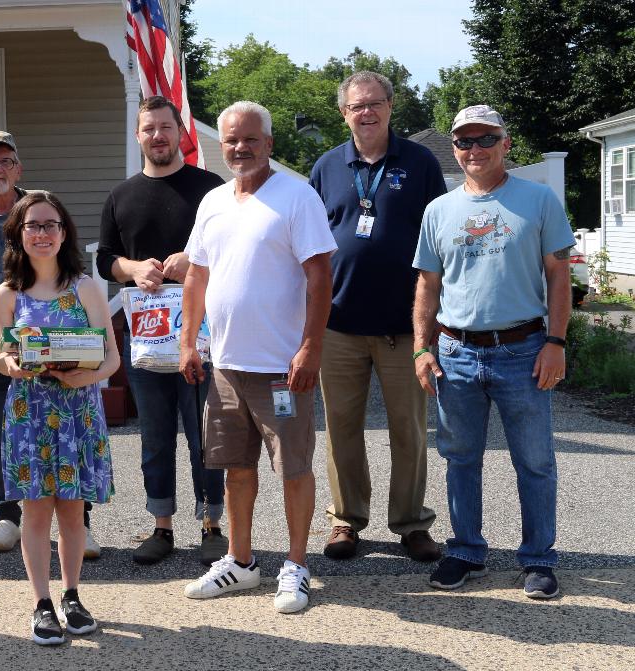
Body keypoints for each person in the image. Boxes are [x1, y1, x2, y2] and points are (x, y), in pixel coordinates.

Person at [179, 101, 336, 614]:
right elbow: (198, 275)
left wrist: (311, 346)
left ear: (269, 143)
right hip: (225, 365)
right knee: (235, 468)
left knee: (293, 467)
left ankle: (296, 566)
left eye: (250, 139)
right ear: (219, 146)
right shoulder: (213, 202)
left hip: (282, 369)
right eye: (231, 140)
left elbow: (319, 276)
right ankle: (241, 563)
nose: (240, 148)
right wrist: (188, 340)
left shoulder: (297, 197)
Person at [412, 104, 573, 599]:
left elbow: (558, 275)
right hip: (457, 352)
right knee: (460, 458)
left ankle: (538, 559)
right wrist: (422, 347)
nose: (474, 150)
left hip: (523, 349)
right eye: (464, 141)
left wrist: (556, 342)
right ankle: (465, 552)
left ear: (505, 143)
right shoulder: (439, 210)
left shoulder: (539, 200)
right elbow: (427, 284)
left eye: (485, 140)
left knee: (535, 460)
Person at [0, 131, 99, 557]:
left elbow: (70, 268)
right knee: (3, 433)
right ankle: (8, 516)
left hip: (56, 347)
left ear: (18, 168)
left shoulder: (39, 211)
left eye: (5, 161)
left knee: (68, 435)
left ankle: (77, 526)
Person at [309, 71, 447, 562]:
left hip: (403, 327)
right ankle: (346, 520)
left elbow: (440, 240)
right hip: (339, 323)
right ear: (343, 113)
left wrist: (432, 327)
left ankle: (411, 523)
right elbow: (309, 245)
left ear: (391, 106)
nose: (366, 112)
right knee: (341, 428)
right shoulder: (325, 167)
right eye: (356, 106)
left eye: (375, 104)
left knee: (409, 429)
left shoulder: (420, 162)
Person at [96, 96, 227, 566]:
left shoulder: (210, 189)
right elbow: (104, 258)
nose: (158, 136)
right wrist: (133, 268)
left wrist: (192, 259)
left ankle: (212, 523)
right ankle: (161, 525)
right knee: (155, 434)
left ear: (179, 133)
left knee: (204, 432)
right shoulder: (122, 195)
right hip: (147, 335)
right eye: (149, 129)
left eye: (165, 128)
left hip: (201, 334)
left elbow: (228, 242)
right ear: (139, 136)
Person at [0, 191, 119, 644]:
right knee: (36, 511)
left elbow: (110, 359)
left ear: (64, 233)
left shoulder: (84, 287)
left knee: (72, 510)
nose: (42, 234)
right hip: (30, 413)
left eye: (51, 225)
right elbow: (3, 356)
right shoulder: (8, 294)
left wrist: (83, 379)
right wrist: (16, 365)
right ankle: (41, 603)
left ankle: (72, 595)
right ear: (19, 234)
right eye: (33, 226)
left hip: (76, 410)